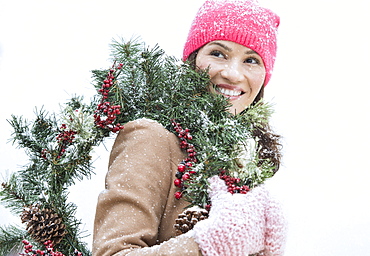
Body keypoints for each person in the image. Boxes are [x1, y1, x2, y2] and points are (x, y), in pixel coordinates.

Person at [92, 0, 286, 255]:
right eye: (218, 54)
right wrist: (206, 245)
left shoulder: (241, 158)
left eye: (251, 60)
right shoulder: (152, 137)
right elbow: (112, 252)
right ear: (193, 59)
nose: (233, 74)